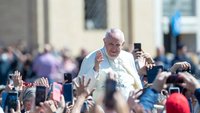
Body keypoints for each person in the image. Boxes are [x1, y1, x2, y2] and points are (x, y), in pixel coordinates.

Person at [76, 28, 143, 99]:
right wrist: (95, 69)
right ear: (104, 41)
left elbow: (136, 83)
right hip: (102, 108)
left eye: (117, 45)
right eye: (111, 44)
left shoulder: (128, 57)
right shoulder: (91, 58)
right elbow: (81, 88)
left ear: (122, 44)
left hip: (127, 107)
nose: (114, 49)